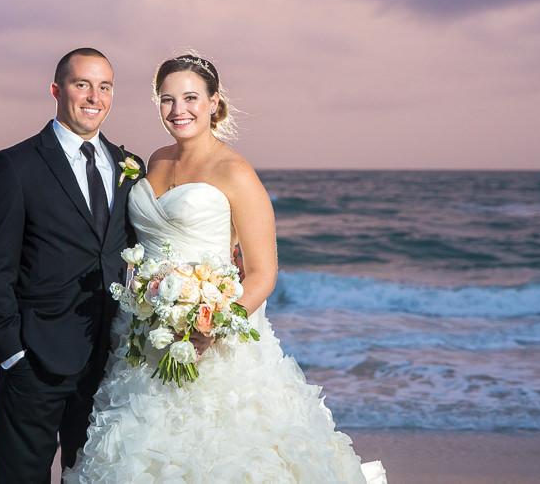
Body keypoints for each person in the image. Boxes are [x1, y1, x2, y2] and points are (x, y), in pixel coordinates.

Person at [65, 54, 386, 483]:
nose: (179, 110)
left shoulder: (236, 172)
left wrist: (211, 325)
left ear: (214, 102)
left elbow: (262, 273)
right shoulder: (151, 162)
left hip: (213, 338)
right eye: (167, 99)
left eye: (191, 97)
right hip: (142, 334)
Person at [0, 48, 146, 484]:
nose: (94, 96)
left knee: (92, 476)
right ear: (56, 90)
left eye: (104, 86)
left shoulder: (130, 167)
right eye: (81, 84)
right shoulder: (16, 165)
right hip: (36, 359)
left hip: (109, 359)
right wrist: (12, 352)